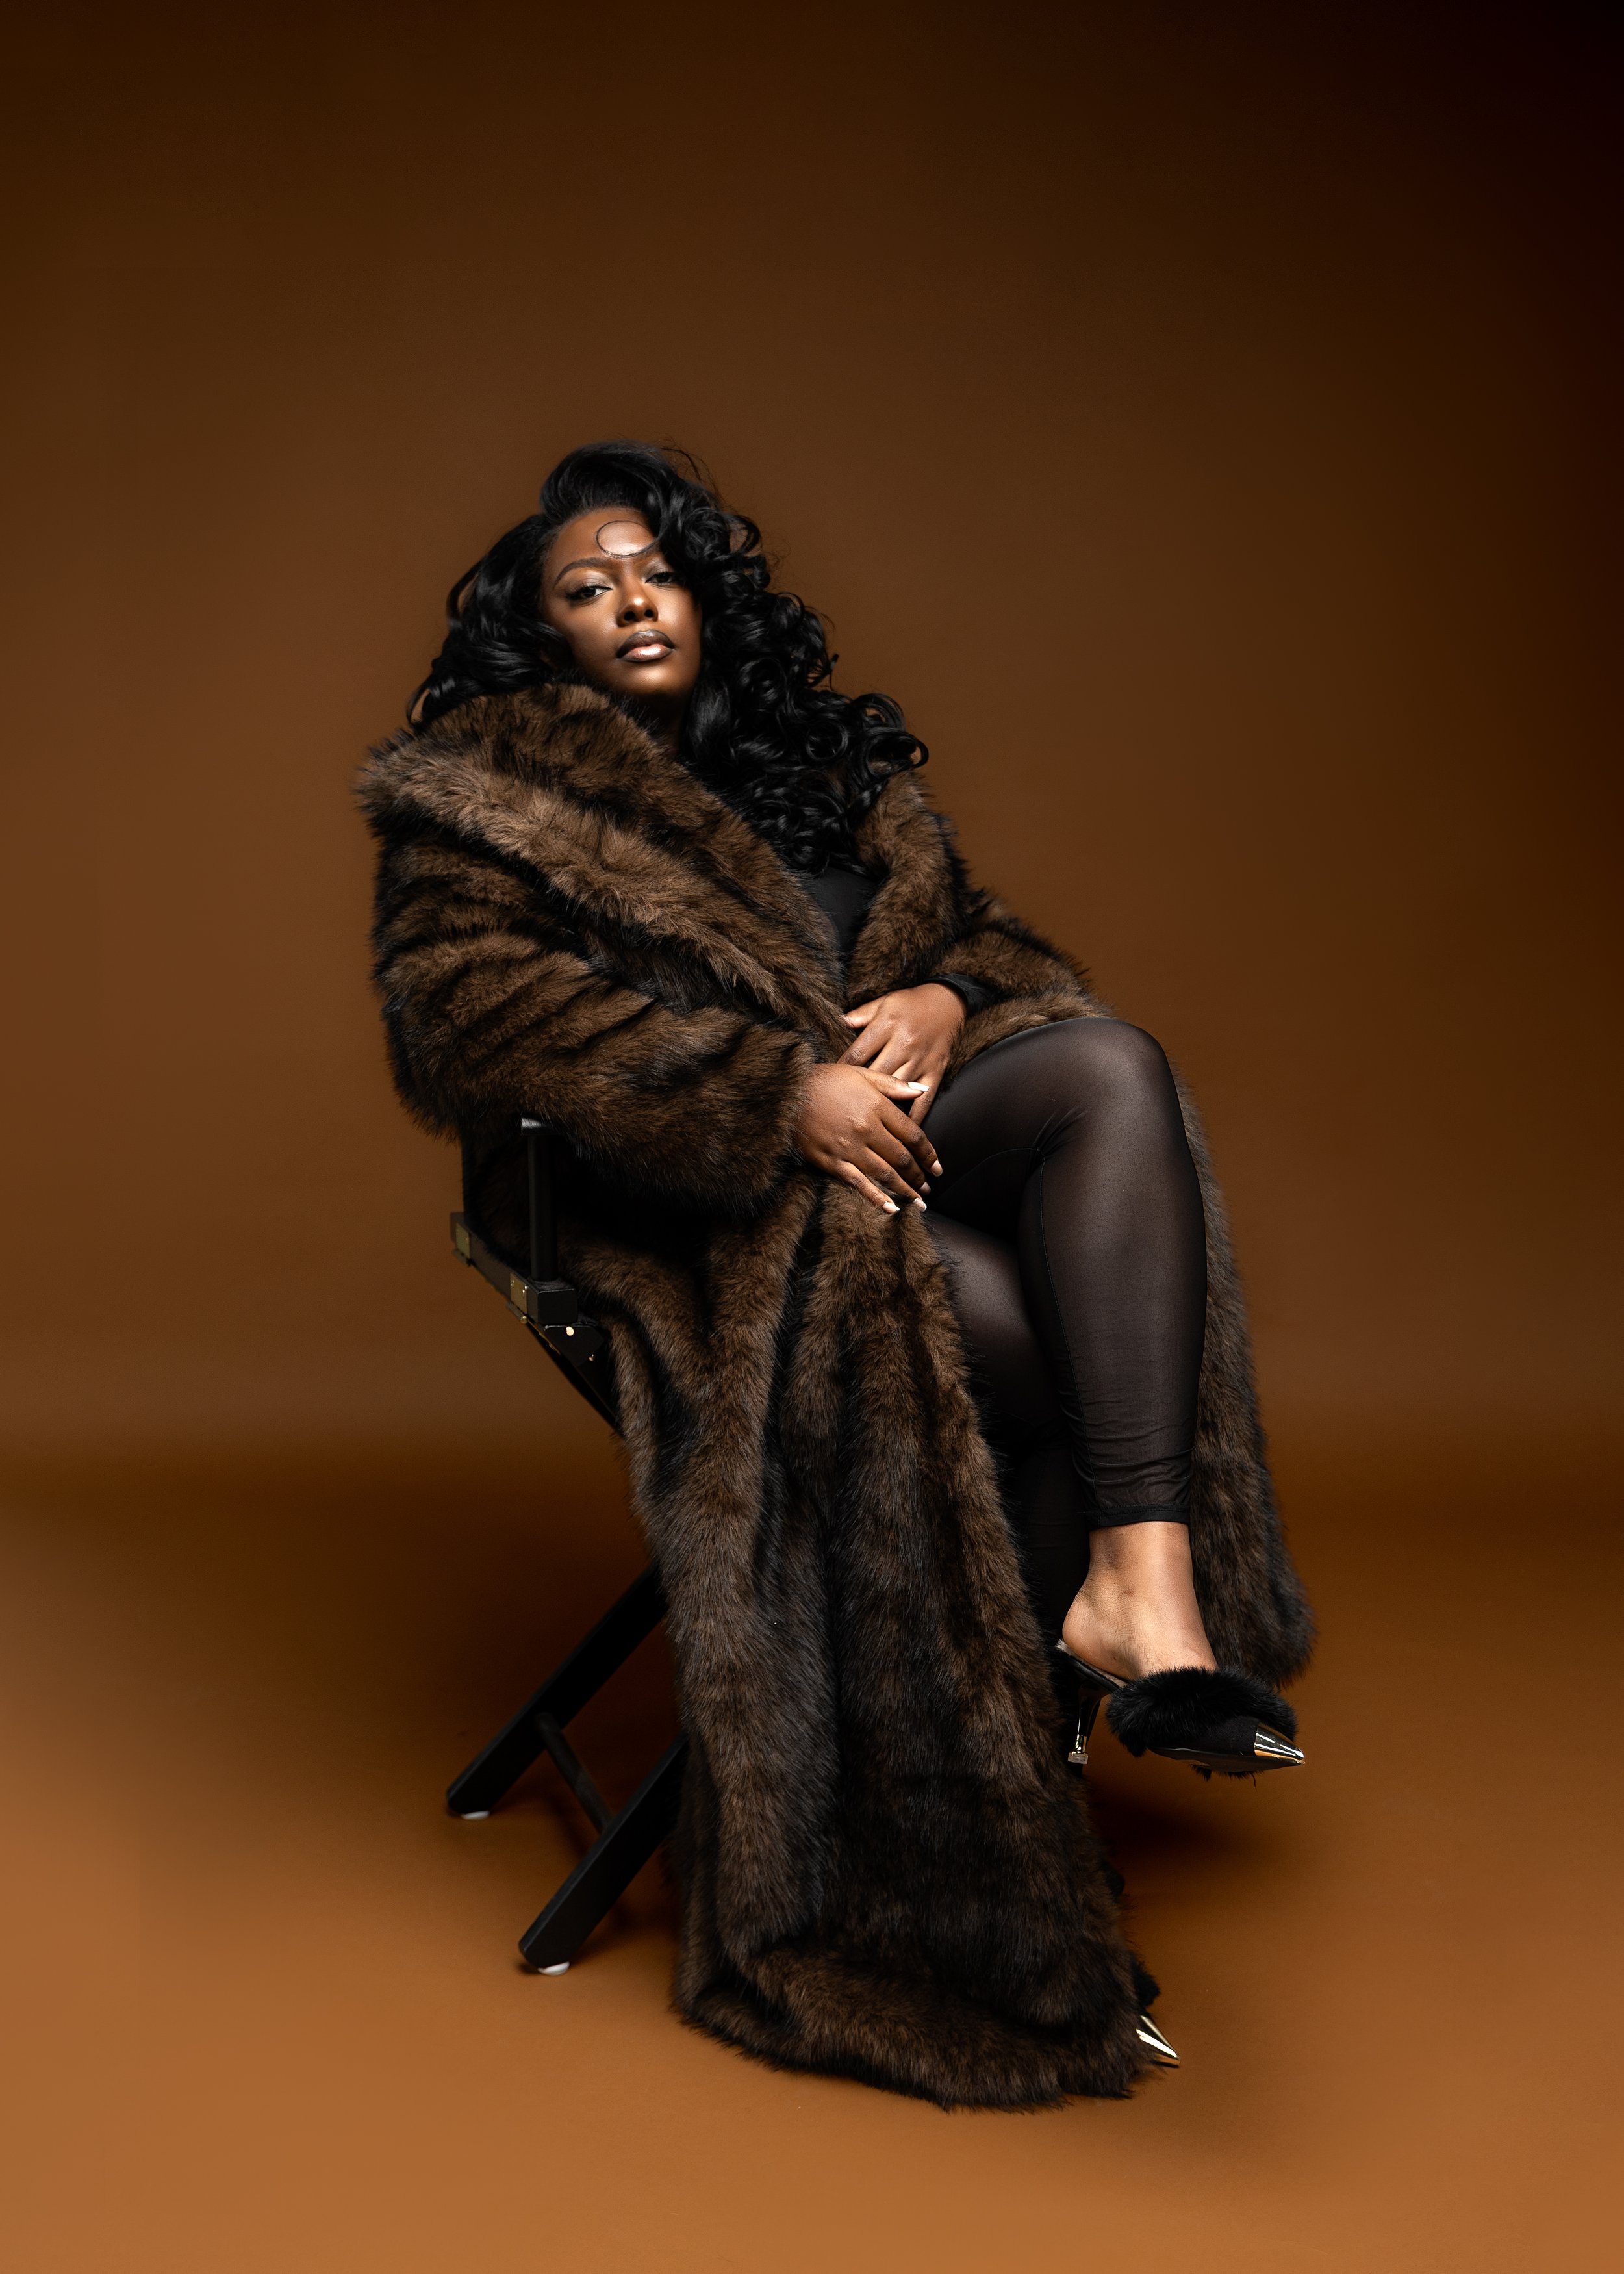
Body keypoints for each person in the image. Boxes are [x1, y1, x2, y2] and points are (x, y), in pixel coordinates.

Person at [360, 442, 1313, 2108]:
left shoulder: (816, 762)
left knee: (1104, 1063)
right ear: (545, 636)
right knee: (1005, 1337)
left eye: (651, 570)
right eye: (584, 590)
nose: (628, 601)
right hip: (693, 1198)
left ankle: (1138, 1584)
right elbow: (471, 1018)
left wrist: (946, 990)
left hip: (909, 1134)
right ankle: (989, 1795)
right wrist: (759, 1092)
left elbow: (980, 935)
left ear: (704, 592)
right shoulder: (487, 792)